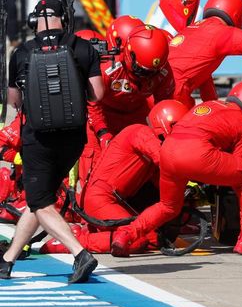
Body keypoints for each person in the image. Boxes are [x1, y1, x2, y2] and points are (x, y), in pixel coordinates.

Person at [0, 0, 104, 282]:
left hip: (38, 140)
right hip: (73, 139)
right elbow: (97, 95)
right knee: (42, 198)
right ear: (64, 18)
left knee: (39, 201)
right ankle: (7, 260)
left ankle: (80, 254)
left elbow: (15, 101)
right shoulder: (83, 48)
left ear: (35, 20)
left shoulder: (22, 52)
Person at [111, 81, 242, 257]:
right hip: (197, 153)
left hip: (168, 151)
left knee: (168, 206)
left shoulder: (209, 104)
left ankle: (126, 233)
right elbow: (239, 176)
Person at [41, 100, 189, 254]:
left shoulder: (148, 138)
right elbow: (165, 161)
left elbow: (162, 182)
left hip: (109, 199)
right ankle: (75, 241)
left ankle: (89, 233)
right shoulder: (142, 133)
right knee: (142, 240)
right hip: (101, 199)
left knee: (153, 235)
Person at [79, 25, 175, 189]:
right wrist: (103, 132)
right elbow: (92, 103)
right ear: (129, 55)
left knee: (146, 164)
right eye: (143, 71)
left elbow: (164, 107)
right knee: (95, 172)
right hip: (102, 118)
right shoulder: (108, 68)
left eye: (152, 72)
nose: (147, 77)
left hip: (136, 118)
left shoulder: (163, 73)